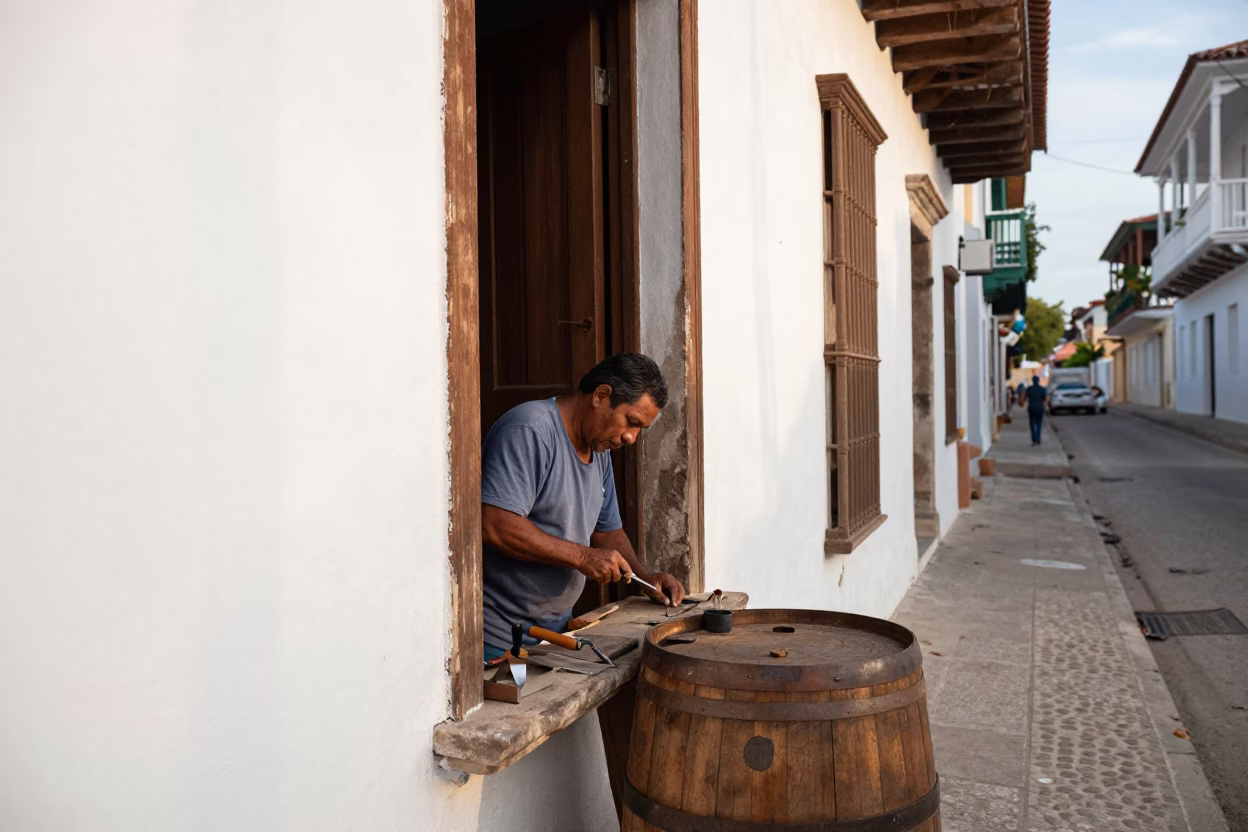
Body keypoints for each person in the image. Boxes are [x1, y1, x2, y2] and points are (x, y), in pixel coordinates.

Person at [480, 353, 686, 663]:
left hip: (557, 633)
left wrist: (646, 579)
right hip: (499, 638)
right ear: (601, 396)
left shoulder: (599, 447)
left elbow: (607, 531)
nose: (631, 437)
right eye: (631, 422)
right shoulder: (529, 431)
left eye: (641, 428)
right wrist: (582, 556)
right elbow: (495, 525)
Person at [1024, 375, 1048, 446]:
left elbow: (1025, 397)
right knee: (1039, 424)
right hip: (1040, 408)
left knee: (1032, 424)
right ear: (1038, 381)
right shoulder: (1042, 389)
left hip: (1031, 407)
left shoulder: (1029, 389)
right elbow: (1045, 399)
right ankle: (1038, 439)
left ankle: (1034, 439)